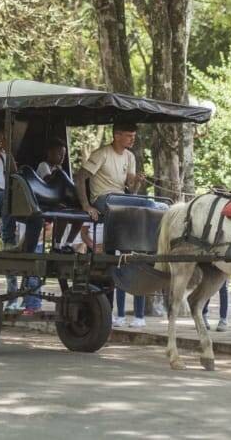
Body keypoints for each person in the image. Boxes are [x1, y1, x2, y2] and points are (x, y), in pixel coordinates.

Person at [76, 121, 147, 328]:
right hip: (104, 199)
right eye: (128, 135)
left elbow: (130, 190)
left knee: (147, 203)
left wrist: (137, 182)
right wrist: (86, 205)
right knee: (143, 204)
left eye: (134, 135)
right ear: (116, 135)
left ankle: (139, 245)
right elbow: (81, 177)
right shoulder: (102, 154)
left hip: (121, 199)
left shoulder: (130, 156)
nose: (133, 139)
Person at [0, 121, 41, 249]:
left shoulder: (2, 155)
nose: (2, 139)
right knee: (8, 199)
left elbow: (15, 172)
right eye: (0, 136)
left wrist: (8, 151)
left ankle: (29, 250)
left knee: (36, 218)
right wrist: (7, 194)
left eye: (4, 137)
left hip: (3, 198)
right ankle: (8, 241)